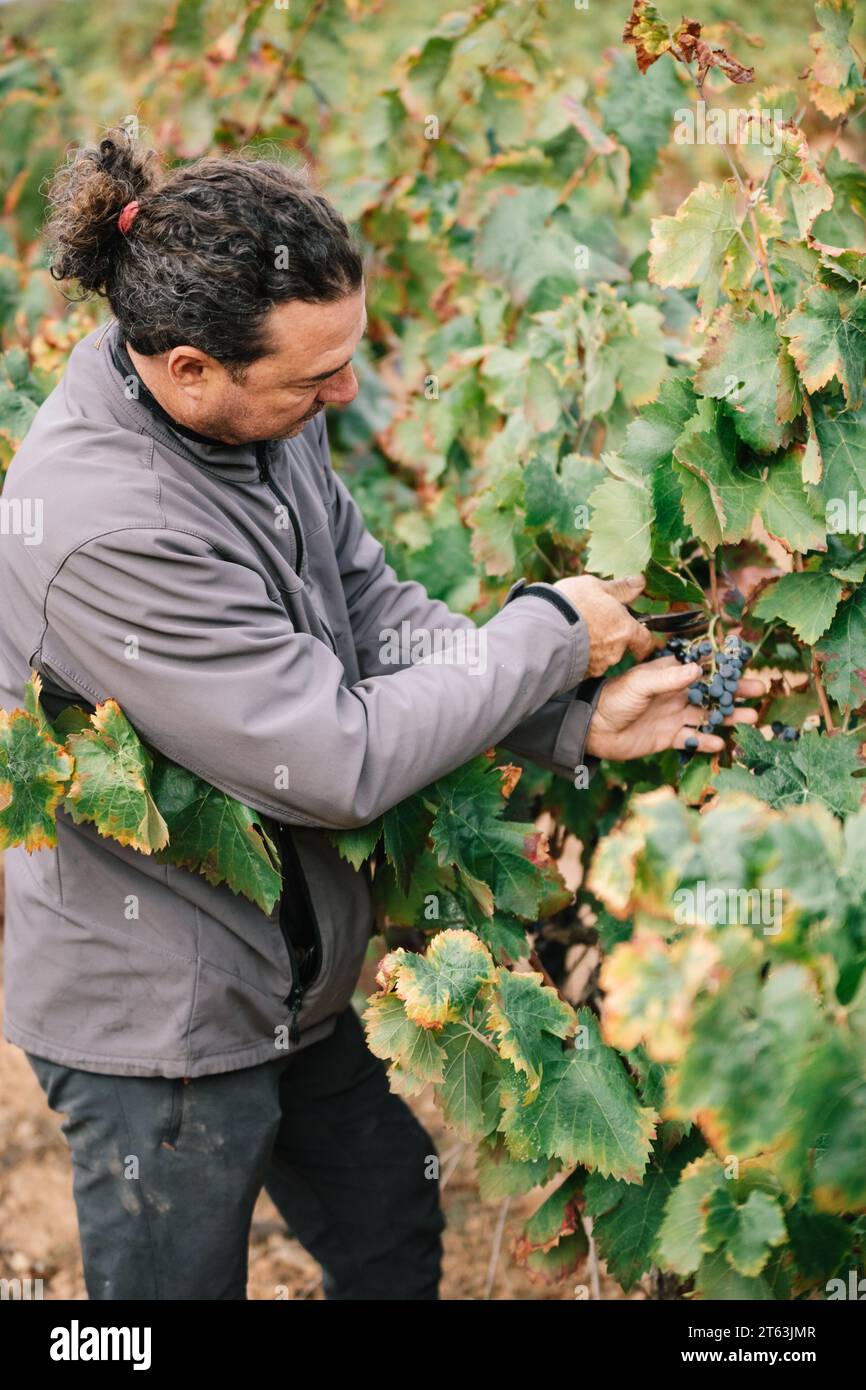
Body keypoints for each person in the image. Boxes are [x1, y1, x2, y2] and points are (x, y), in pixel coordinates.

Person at [0, 128, 760, 1300]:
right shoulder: (107, 526)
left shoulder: (250, 419)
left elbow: (370, 607)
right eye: (314, 378)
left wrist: (566, 718)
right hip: (161, 1016)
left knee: (390, 1228)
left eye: (345, 358)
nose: (346, 394)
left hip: (287, 965)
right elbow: (330, 756)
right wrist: (548, 631)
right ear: (190, 366)